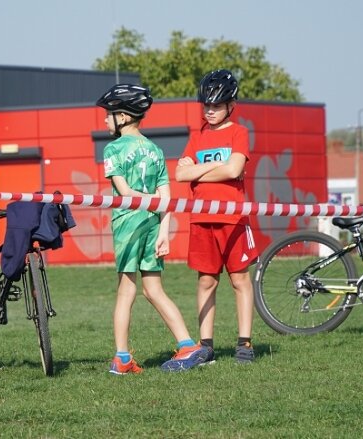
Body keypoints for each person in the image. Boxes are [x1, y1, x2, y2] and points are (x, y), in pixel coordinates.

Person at [96, 84, 209, 374]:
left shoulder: (112, 148)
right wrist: (163, 232)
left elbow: (124, 191)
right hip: (152, 224)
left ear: (122, 116)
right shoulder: (156, 150)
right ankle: (187, 344)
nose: (105, 120)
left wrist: (150, 207)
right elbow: (166, 198)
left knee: (126, 291)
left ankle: (121, 358)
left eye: (108, 115)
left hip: (128, 225)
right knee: (154, 290)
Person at [175, 69, 259, 364]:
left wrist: (198, 170)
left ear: (230, 105)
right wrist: (215, 167)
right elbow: (180, 173)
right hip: (201, 219)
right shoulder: (197, 136)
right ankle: (206, 345)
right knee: (206, 282)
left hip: (233, 218)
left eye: (216, 106)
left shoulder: (239, 132)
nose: (210, 111)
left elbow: (234, 170)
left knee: (240, 280)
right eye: (206, 106)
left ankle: (244, 343)